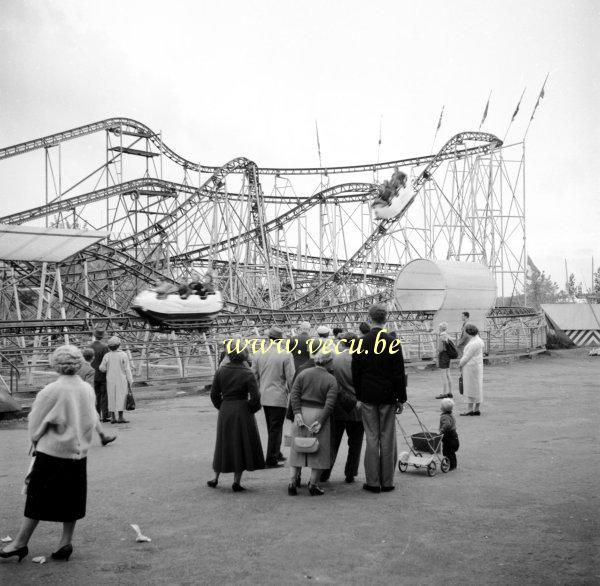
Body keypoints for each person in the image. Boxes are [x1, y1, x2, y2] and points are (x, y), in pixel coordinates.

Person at [0, 346, 99, 563]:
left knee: (37, 498)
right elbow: (92, 419)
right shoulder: (86, 389)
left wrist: (36, 440)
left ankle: (20, 542)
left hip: (52, 452)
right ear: (79, 363)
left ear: (55, 364)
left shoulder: (51, 390)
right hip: (77, 453)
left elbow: (35, 423)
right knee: (72, 497)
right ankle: (65, 543)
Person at [352, 304, 406, 493]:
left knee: (372, 438)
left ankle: (373, 482)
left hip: (367, 396)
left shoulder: (360, 342)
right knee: (388, 438)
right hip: (388, 396)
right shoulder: (392, 342)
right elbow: (399, 373)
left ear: (369, 318)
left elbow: (356, 373)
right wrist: (401, 398)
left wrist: (358, 396)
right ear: (386, 319)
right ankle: (388, 481)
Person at [207, 345, 265, 492]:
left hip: (226, 409)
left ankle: (215, 478)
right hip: (242, 410)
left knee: (222, 443)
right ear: (244, 356)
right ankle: (236, 481)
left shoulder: (221, 371)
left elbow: (214, 395)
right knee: (240, 444)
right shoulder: (247, 373)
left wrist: (223, 407)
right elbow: (256, 397)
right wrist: (250, 409)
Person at [288, 351, 339, 496]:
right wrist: (321, 420)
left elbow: (294, 394)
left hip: (302, 414)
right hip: (318, 413)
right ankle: (313, 484)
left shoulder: (303, 374)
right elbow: (330, 404)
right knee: (318, 451)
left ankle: (292, 482)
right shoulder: (331, 379)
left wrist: (297, 412)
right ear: (329, 362)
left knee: (297, 448)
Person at [320, 333, 364, 484]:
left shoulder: (334, 359)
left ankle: (325, 473)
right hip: (357, 406)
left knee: (333, 441)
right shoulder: (360, 360)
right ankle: (350, 473)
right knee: (355, 442)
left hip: (338, 405)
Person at [253, 326, 295, 467]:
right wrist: (294, 396)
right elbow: (290, 378)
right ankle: (271, 458)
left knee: (272, 426)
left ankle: (276, 453)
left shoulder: (258, 353)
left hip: (264, 394)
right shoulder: (285, 355)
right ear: (280, 339)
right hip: (279, 396)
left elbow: (254, 375)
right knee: (276, 427)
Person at [79, 348, 116, 446]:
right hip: (83, 396)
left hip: (73, 393)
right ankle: (100, 437)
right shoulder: (90, 370)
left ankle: (102, 436)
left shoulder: (77, 366)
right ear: (93, 358)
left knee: (94, 416)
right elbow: (89, 386)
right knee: (91, 417)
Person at [99, 336, 133, 424]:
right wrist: (130, 380)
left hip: (110, 379)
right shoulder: (123, 354)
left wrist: (107, 369)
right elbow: (127, 369)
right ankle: (121, 417)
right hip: (121, 378)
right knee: (121, 396)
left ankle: (113, 417)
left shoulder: (107, 355)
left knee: (111, 396)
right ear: (119, 345)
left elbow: (101, 368)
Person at [459, 324, 485, 416]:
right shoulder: (479, 341)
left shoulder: (472, 343)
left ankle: (469, 409)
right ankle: (477, 408)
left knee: (469, 388)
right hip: (478, 366)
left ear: (468, 332)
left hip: (470, 367)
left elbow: (466, 357)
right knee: (478, 387)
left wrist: (460, 364)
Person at [90, 330, 109, 422]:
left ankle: (96, 415)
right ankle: (105, 415)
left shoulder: (89, 346)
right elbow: (107, 361)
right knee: (104, 395)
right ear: (102, 337)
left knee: (96, 395)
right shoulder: (105, 347)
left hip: (93, 374)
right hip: (103, 374)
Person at [439, 398, 459, 470]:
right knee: (451, 452)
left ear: (443, 408)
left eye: (441, 406)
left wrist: (442, 430)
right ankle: (453, 464)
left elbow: (447, 425)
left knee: (447, 451)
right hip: (454, 435)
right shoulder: (451, 414)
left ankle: (450, 465)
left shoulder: (445, 416)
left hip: (448, 436)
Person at [435, 322, 453, 399]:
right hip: (448, 356)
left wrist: (436, 350)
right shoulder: (448, 336)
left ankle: (444, 392)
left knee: (443, 374)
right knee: (448, 373)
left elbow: (440, 349)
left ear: (441, 329)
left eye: (439, 328)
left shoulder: (441, 337)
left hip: (443, 356)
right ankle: (450, 392)